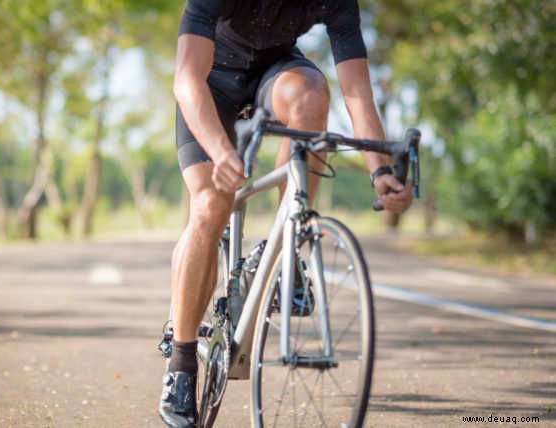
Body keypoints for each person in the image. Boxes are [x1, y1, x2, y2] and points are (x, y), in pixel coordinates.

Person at [160, 1, 413, 426]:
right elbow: (186, 79)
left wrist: (380, 171)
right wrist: (222, 152)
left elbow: (357, 94)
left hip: (275, 77)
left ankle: (285, 246)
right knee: (211, 204)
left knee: (312, 92)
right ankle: (182, 365)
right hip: (210, 87)